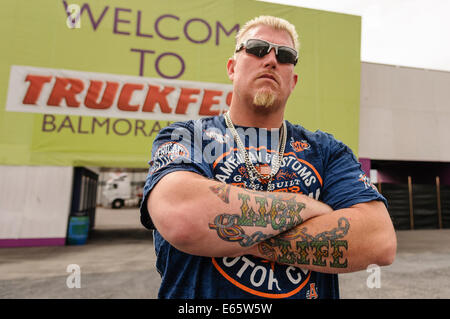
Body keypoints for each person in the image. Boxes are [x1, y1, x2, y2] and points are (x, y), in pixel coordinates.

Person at [140, 15, 396, 299]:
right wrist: (313, 208)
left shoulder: (327, 151)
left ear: (293, 80)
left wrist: (225, 234)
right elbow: (183, 219)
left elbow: (378, 241)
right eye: (257, 48)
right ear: (232, 67)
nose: (272, 60)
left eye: (286, 55)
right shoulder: (187, 137)